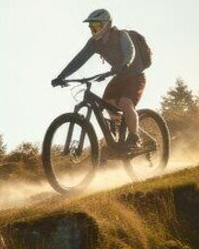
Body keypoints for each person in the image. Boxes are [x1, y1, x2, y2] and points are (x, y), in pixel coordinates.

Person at [52, 9, 146, 149]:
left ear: (107, 25)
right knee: (108, 103)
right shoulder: (94, 43)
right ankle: (122, 135)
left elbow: (130, 51)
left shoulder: (121, 35)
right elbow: (79, 60)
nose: (94, 30)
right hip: (119, 77)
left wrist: (124, 64)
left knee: (125, 103)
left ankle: (134, 138)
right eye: (92, 27)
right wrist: (62, 76)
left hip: (135, 75)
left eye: (97, 26)